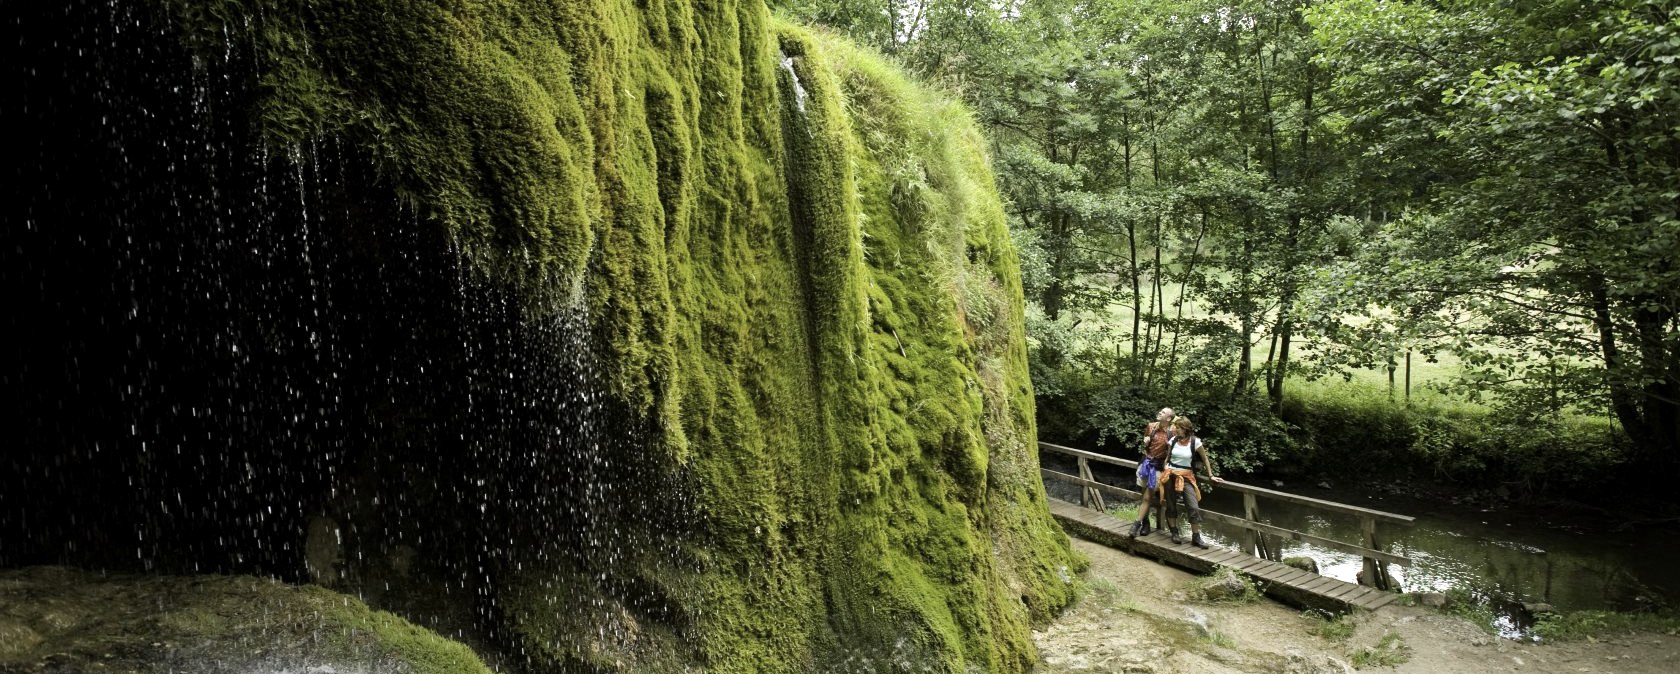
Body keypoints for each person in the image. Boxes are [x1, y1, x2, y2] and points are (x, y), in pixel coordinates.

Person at [1160, 415, 1224, 548]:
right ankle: (1174, 532)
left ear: (1185, 428)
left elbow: (1205, 459)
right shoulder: (1173, 440)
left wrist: (1211, 475)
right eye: (1175, 427)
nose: (1175, 429)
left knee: (1193, 506)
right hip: (1170, 475)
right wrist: (1165, 467)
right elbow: (1168, 457)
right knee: (1171, 505)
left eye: (1178, 427)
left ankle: (1196, 536)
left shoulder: (1195, 442)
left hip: (1187, 476)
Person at [1130, 407, 1174, 539]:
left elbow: (1174, 450)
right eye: (1160, 411)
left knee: (1147, 497)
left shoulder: (1173, 431)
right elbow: (1146, 444)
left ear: (1168, 418)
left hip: (1158, 467)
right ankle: (1146, 523)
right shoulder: (1151, 426)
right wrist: (1145, 442)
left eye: (1163, 412)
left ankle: (1136, 525)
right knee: (1144, 496)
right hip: (1146, 464)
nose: (1159, 413)